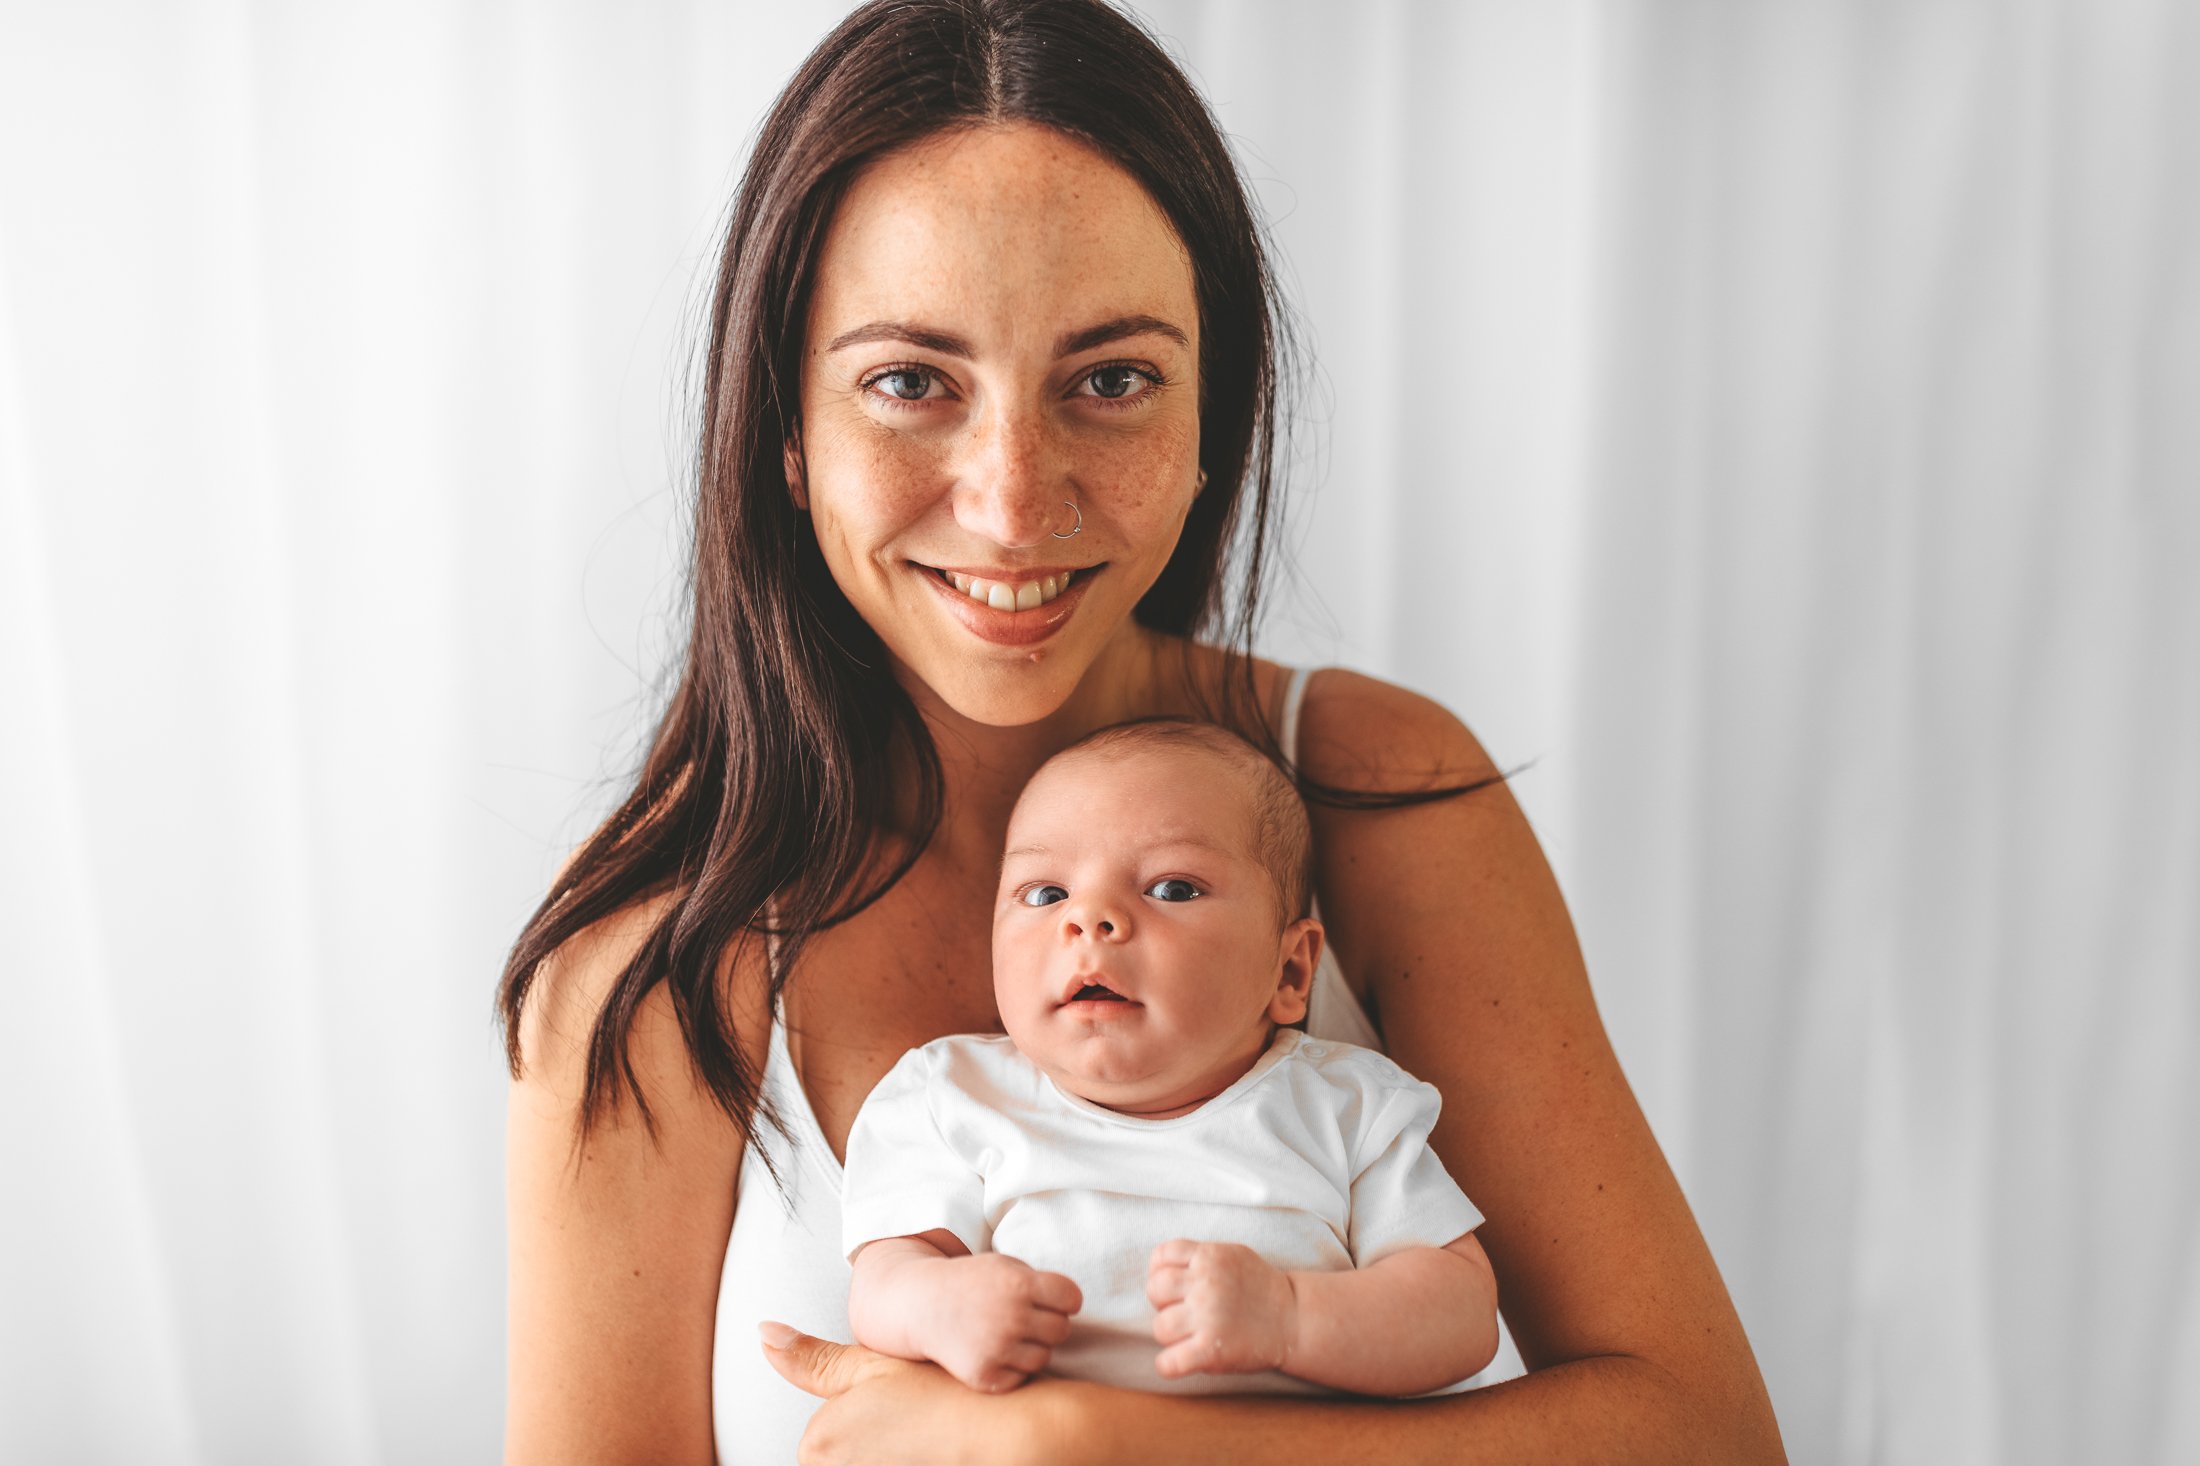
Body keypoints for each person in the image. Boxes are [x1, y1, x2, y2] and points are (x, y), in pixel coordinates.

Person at [499, 1, 1788, 1462]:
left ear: (1210, 418)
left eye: (1110, 380)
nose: (1010, 500)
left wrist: (1106, 1445)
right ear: (785, 433)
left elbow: (1712, 1434)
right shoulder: (653, 955)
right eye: (910, 383)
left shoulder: (1370, 789)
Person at [841, 720, 1500, 1399]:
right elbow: (882, 1277)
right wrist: (940, 1304)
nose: (1090, 919)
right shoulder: (957, 1096)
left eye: (1172, 889)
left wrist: (1290, 1316)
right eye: (1045, 894)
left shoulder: (1348, 1109)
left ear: (1290, 972)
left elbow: (1460, 1309)